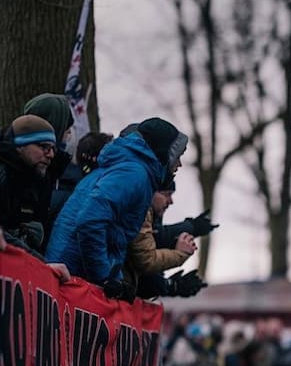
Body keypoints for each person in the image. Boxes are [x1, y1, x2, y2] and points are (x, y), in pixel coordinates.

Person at [45, 117, 187, 298]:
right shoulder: (134, 173)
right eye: (178, 156)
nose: (179, 164)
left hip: (72, 270)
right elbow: (89, 221)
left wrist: (116, 279)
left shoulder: (132, 168)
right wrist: (104, 277)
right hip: (71, 275)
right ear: (165, 152)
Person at [0, 115, 57, 254]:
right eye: (44, 147)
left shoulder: (39, 179)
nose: (50, 154)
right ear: (20, 146)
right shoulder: (3, 175)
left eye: (52, 148)